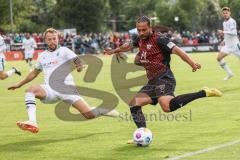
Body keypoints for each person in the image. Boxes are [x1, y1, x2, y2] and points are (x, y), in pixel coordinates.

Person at [104, 16, 222, 143]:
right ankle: (141, 133)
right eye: (139, 30)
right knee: (134, 103)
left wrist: (192, 63)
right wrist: (114, 51)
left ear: (150, 27)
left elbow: (178, 51)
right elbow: (127, 46)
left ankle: (203, 92)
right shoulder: (140, 38)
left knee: (166, 107)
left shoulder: (160, 39)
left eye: (144, 30)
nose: (141, 33)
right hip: (152, 81)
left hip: (164, 77)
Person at [8, 28, 119, 133]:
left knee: (88, 114)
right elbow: (34, 73)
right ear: (45, 41)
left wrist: (79, 67)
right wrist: (19, 84)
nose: (52, 41)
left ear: (58, 39)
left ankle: (104, 111)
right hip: (50, 89)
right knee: (30, 90)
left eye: (54, 38)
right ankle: (32, 122)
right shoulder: (42, 56)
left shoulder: (64, 51)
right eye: (49, 39)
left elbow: (78, 61)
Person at [217, 7, 240, 80]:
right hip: (228, 46)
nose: (225, 14)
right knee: (219, 58)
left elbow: (234, 33)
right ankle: (230, 73)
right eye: (224, 13)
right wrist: (224, 40)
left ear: (229, 13)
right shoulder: (224, 22)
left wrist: (223, 32)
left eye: (226, 13)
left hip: (235, 46)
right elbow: (227, 34)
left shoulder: (232, 21)